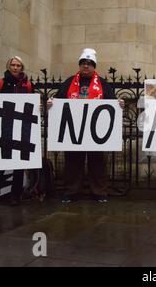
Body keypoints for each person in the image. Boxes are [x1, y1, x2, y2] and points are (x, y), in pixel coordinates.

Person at [53, 48, 124, 203]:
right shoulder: (69, 82)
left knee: (97, 162)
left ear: (94, 66)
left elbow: (111, 102)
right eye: (83, 63)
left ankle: (99, 192)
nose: (86, 66)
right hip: (74, 131)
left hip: (95, 132)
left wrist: (118, 103)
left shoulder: (103, 84)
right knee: (72, 162)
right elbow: (58, 100)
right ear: (79, 65)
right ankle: (71, 192)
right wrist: (51, 102)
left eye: (89, 64)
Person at [0, 56, 33, 208]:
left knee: (18, 165)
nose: (15, 68)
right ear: (9, 66)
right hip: (3, 128)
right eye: (13, 65)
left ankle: (15, 197)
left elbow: (34, 103)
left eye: (18, 65)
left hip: (20, 129)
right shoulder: (0, 83)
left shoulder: (28, 85)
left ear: (22, 67)